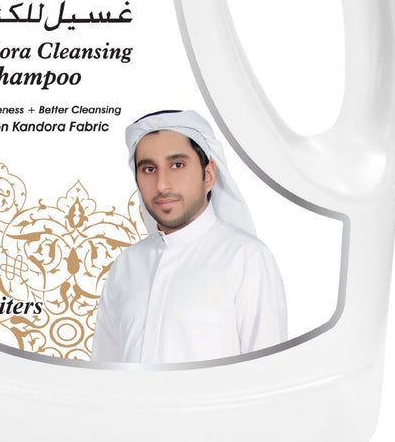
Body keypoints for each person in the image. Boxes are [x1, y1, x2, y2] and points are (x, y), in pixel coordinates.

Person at [91, 109, 287, 364]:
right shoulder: (125, 265)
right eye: (149, 169)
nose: (162, 184)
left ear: (209, 174)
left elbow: (268, 375)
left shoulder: (246, 259)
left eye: (177, 165)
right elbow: (104, 375)